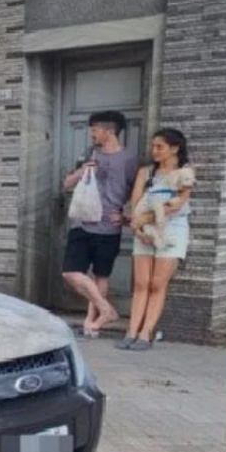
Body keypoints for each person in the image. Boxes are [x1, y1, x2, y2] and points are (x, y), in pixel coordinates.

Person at [61, 110, 138, 337]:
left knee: (101, 276)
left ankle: (91, 323)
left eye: (95, 130)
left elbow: (137, 191)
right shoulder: (88, 153)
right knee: (70, 273)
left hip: (109, 227)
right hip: (82, 222)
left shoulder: (129, 159)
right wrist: (82, 171)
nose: (92, 135)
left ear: (108, 130)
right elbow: (66, 184)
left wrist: (125, 217)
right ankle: (106, 309)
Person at [118, 129, 195, 351]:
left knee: (157, 283)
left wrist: (145, 218)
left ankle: (146, 333)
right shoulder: (146, 172)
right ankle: (131, 331)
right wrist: (139, 224)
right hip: (144, 229)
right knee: (141, 282)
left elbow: (177, 204)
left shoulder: (185, 173)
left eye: (160, 147)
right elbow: (135, 202)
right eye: (153, 146)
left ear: (174, 148)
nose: (155, 151)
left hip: (173, 229)